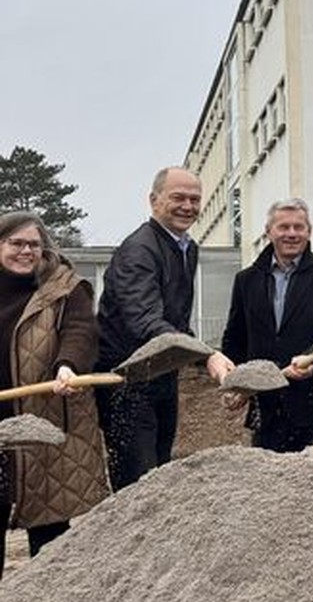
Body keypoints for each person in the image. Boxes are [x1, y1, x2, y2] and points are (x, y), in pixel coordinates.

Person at [95, 167, 233, 491]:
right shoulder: (139, 251)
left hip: (161, 375)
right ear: (154, 201)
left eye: (194, 199)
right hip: (125, 381)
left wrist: (205, 356)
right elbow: (146, 321)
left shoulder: (186, 248)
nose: (188, 206)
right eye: (178, 197)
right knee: (138, 482)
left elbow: (177, 320)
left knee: (160, 471)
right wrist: (207, 355)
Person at [0, 212, 106, 574]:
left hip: (42, 423)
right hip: (1, 425)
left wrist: (68, 365)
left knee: (49, 541)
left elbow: (81, 331)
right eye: (16, 243)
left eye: (33, 244)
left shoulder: (65, 287)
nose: (25, 251)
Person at [221, 198, 313, 452]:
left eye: (298, 227)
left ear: (309, 232)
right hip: (267, 406)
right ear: (269, 231)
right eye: (283, 227)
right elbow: (235, 339)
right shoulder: (247, 280)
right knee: (269, 485)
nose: (291, 234)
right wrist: (235, 382)